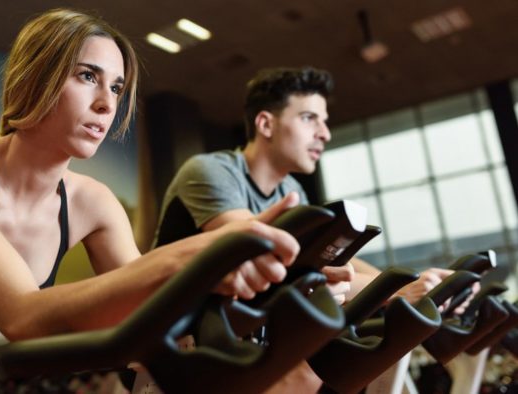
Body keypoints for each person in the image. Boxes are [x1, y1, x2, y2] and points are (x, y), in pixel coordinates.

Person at [0, 10, 301, 394]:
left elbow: (148, 310)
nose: (107, 104)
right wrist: (200, 251)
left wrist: (277, 285)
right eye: (88, 76)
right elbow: (24, 317)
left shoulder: (94, 203)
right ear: (35, 78)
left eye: (115, 87)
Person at [152, 66, 466, 393]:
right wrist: (393, 292)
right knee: (309, 372)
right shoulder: (211, 172)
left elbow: (327, 258)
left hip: (240, 334)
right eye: (309, 118)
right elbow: (275, 264)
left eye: (324, 121)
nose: (324, 133)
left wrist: (408, 284)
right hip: (173, 342)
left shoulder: (292, 192)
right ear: (265, 124)